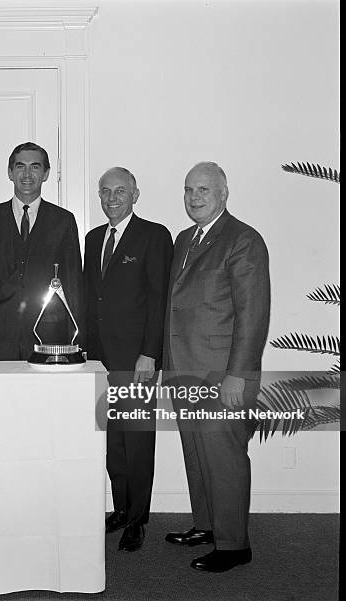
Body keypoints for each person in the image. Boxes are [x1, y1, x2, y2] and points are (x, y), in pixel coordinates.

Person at [163, 162, 270, 572]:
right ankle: (207, 526)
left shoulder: (243, 240)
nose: (195, 196)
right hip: (183, 370)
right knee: (197, 454)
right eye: (189, 189)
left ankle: (233, 546)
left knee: (224, 459)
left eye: (204, 189)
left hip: (222, 374)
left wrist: (238, 375)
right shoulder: (184, 238)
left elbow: (252, 315)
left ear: (224, 193)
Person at [84, 167, 173, 552]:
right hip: (100, 360)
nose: (112, 198)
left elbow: (158, 299)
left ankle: (137, 520)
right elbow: (92, 300)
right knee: (113, 442)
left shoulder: (154, 236)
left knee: (137, 442)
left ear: (136, 194)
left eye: (120, 191)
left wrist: (150, 353)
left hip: (137, 360)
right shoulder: (92, 239)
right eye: (105, 191)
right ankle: (120, 509)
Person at [0, 142, 83, 361]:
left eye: (35, 167)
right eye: (20, 166)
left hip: (50, 339)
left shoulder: (63, 221)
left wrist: (77, 343)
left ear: (46, 173)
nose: (27, 174)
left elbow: (73, 285)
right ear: (10, 172)